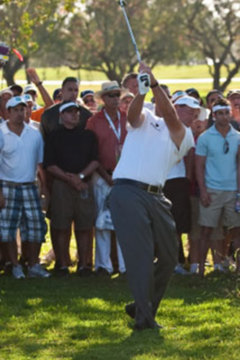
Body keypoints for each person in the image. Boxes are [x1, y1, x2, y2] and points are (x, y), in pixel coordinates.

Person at [109, 63, 194, 330]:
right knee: (142, 256)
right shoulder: (146, 117)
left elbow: (170, 116)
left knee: (169, 258)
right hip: (127, 191)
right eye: (180, 105)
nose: (181, 110)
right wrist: (143, 91)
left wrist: (154, 84)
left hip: (157, 197)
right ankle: (145, 319)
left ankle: (141, 306)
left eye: (188, 109)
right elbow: (132, 116)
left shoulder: (185, 135)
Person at [44, 101, 99, 275]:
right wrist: (69, 178)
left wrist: (80, 177)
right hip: (62, 185)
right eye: (69, 112)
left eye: (76, 112)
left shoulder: (88, 135)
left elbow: (95, 161)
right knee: (61, 226)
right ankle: (62, 263)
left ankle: (84, 265)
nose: (74, 115)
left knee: (84, 226)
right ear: (61, 116)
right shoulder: (53, 136)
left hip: (84, 184)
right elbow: (50, 165)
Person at [0, 96, 49, 279]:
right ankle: (15, 265)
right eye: (16, 110)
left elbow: (39, 164)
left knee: (36, 226)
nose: (20, 113)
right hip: (7, 185)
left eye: (23, 109)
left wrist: (44, 188)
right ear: (8, 112)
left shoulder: (34, 133)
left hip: (30, 185)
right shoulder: (1, 132)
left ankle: (33, 264)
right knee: (8, 229)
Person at [195, 97, 240, 276]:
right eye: (219, 113)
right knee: (206, 230)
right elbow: (199, 166)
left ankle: (237, 270)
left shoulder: (237, 137)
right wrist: (203, 191)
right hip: (212, 190)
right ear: (213, 115)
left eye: (226, 113)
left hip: (233, 191)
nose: (223, 117)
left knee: (236, 230)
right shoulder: (205, 137)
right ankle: (199, 270)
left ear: (230, 114)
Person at [86, 81, 127, 275]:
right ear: (103, 99)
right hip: (102, 176)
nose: (115, 99)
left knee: (123, 221)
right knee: (102, 222)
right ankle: (103, 265)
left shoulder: (127, 119)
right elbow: (91, 153)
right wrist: (104, 175)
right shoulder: (94, 121)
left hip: (125, 177)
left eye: (117, 95)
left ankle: (124, 265)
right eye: (111, 95)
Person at [163, 95, 200, 275]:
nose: (193, 115)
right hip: (163, 181)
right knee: (168, 225)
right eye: (190, 111)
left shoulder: (187, 130)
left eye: (194, 112)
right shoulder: (165, 125)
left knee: (178, 224)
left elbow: (190, 155)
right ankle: (172, 261)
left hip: (178, 180)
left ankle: (177, 260)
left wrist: (188, 177)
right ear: (178, 109)